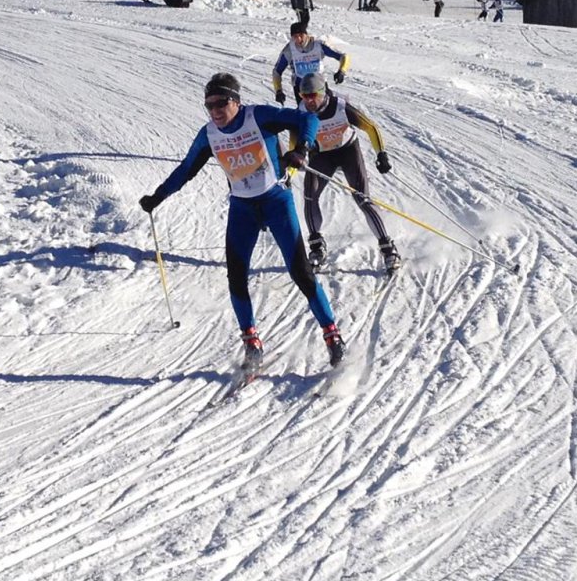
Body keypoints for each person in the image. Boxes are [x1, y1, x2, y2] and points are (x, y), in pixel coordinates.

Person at [139, 72, 344, 370]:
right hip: (242, 209)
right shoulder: (208, 134)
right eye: (209, 105)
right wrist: (157, 197)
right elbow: (185, 169)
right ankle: (252, 343)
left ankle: (332, 335)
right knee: (236, 277)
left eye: (221, 102)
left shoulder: (258, 116)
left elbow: (307, 120)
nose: (215, 111)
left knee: (301, 272)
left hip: (276, 200)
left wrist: (303, 148)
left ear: (236, 101)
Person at [295, 71, 400, 274]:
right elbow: (295, 141)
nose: (309, 101)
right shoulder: (300, 111)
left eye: (312, 95)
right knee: (310, 196)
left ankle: (388, 249)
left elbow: (371, 127)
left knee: (363, 199)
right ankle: (317, 247)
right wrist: (292, 167)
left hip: (347, 151)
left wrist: (381, 154)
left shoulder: (340, 106)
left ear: (322, 91)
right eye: (304, 96)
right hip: (321, 155)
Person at [272, 19, 350, 103]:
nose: (298, 39)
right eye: (295, 36)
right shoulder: (289, 50)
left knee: (327, 110)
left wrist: (342, 71)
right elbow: (277, 71)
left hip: (319, 85)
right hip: (301, 88)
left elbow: (344, 56)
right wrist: (278, 90)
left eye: (301, 35)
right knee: (306, 113)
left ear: (306, 34)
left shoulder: (319, 45)